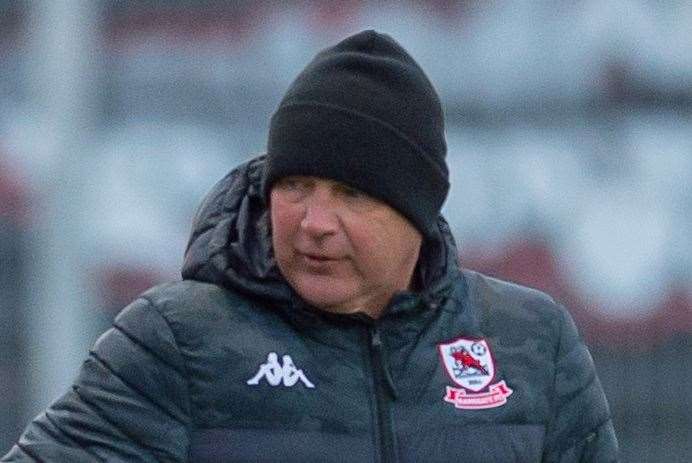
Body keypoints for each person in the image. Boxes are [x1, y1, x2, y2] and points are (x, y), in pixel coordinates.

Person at [2, 30, 618, 462]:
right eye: (295, 185)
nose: (314, 221)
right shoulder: (178, 342)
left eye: (351, 193)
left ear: (417, 211)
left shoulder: (532, 345)